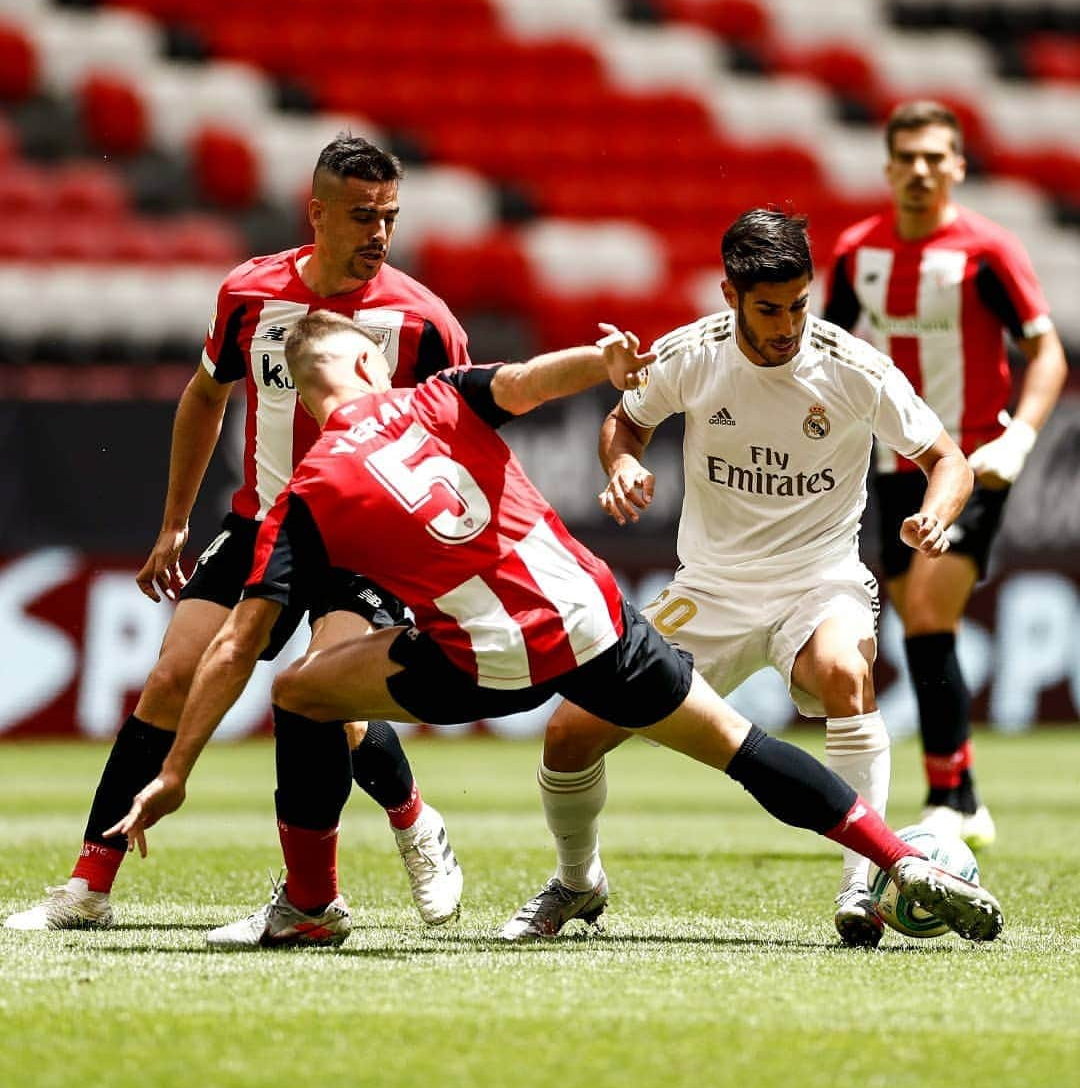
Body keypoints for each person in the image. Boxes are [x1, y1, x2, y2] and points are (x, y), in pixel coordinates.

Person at [108, 310, 1003, 951]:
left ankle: (311, 902)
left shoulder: (305, 494)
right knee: (739, 745)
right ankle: (896, 856)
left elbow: (234, 646)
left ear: (307, 398)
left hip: (490, 662)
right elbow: (532, 383)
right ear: (372, 368)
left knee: (303, 690)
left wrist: (178, 770)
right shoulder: (437, 398)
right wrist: (605, 360)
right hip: (598, 619)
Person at [5, 135, 467, 934]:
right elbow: (203, 396)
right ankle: (88, 887)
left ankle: (411, 824)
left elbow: (462, 438)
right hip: (262, 521)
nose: (379, 234)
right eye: (362, 216)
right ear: (316, 211)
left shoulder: (424, 322)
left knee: (329, 694)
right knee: (169, 679)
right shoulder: (251, 295)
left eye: (389, 216)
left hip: (362, 537)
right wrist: (175, 520)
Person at [499, 207, 974, 950]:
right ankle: (577, 883)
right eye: (768, 309)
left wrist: (937, 517)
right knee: (568, 733)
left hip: (819, 582)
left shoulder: (853, 367)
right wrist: (622, 463)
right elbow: (626, 421)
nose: (787, 326)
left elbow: (948, 459)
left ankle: (862, 885)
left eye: (799, 304)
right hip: (710, 590)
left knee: (844, 673)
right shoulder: (693, 354)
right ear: (730, 295)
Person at [825, 100, 1067, 849]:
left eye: (938, 157)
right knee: (921, 624)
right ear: (889, 167)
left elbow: (1048, 353)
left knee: (928, 611)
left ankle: (953, 799)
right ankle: (959, 789)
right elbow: (823, 350)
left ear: (958, 166)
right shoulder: (856, 253)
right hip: (893, 462)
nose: (923, 171)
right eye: (909, 158)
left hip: (971, 461)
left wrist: (1021, 438)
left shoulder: (987, 251)